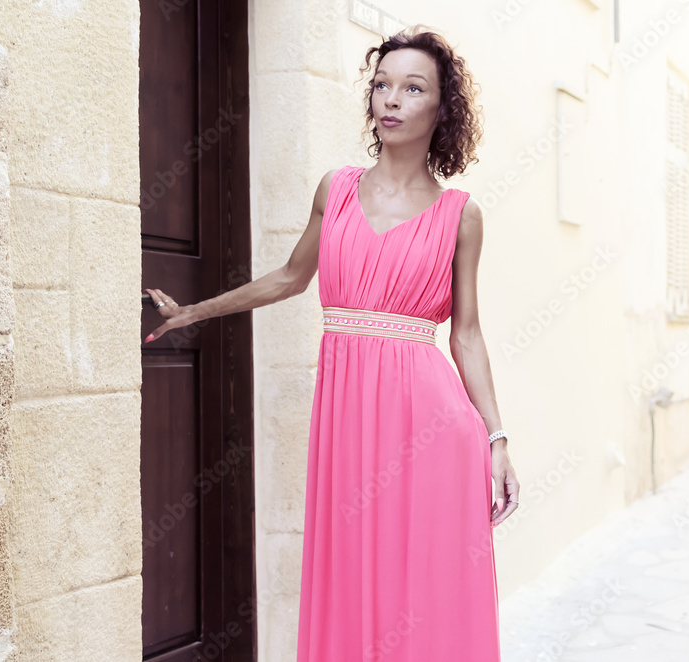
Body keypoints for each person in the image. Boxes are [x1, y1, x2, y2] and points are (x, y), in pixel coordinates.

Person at [143, 25, 518, 661]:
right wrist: (190, 315)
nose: (391, 100)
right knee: (353, 571)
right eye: (381, 85)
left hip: (431, 424)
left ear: (440, 109)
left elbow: (467, 333)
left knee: (421, 589)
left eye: (412, 87)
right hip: (349, 415)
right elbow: (291, 277)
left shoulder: (462, 215)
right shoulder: (336, 189)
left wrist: (496, 441)